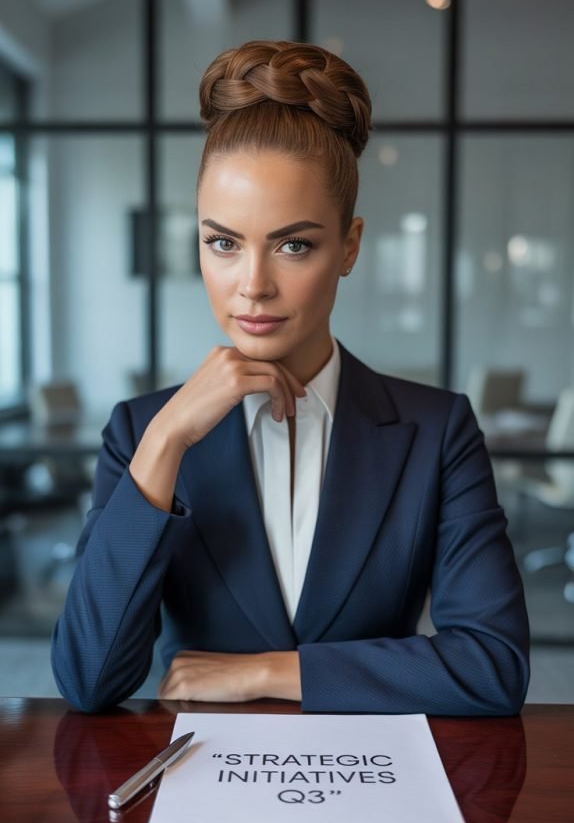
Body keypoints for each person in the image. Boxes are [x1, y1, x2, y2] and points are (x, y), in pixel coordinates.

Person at [51, 40, 530, 715]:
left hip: (372, 786)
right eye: (223, 242)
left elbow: (493, 666)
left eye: (293, 244)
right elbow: (88, 680)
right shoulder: (141, 431)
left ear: (350, 247)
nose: (252, 286)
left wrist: (267, 673)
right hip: (200, 795)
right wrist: (164, 444)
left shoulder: (435, 431)